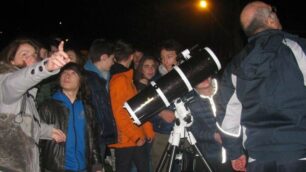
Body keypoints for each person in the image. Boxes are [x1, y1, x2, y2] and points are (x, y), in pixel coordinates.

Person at [217, 1, 306, 172]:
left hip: (258, 160)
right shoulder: (298, 49)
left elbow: (228, 117)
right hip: (299, 154)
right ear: (271, 19)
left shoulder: (235, 66)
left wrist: (235, 152)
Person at [0, 38, 68, 172]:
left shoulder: (28, 94)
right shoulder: (6, 82)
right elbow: (14, 82)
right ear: (11, 60)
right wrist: (46, 66)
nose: (31, 58)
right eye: (24, 54)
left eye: (33, 55)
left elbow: (20, 124)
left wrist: (48, 131)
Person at [39, 62, 102, 172]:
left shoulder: (87, 108)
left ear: (81, 80)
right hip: (57, 168)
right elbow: (38, 143)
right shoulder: (48, 106)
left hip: (83, 168)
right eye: (64, 72)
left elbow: (93, 139)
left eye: (73, 73)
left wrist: (97, 165)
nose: (67, 76)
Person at [109, 40, 155, 172]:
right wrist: (136, 136)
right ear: (131, 57)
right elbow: (120, 113)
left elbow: (137, 109)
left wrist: (147, 131)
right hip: (126, 140)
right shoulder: (120, 80)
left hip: (134, 136)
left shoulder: (126, 78)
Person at [184, 77, 233, 172]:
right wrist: (213, 136)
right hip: (210, 157)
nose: (203, 77)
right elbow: (193, 130)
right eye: (199, 75)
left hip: (235, 153)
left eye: (205, 72)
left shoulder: (227, 91)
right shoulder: (190, 103)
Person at [83, 39, 117, 170]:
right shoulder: (88, 79)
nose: (113, 62)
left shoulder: (103, 77)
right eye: (112, 58)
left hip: (101, 135)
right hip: (94, 137)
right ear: (103, 57)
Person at [151, 39, 182, 171]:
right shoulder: (156, 81)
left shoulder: (190, 75)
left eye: (169, 57)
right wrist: (161, 112)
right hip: (163, 133)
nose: (165, 61)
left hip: (187, 133)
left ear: (178, 56)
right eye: (163, 58)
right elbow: (148, 107)